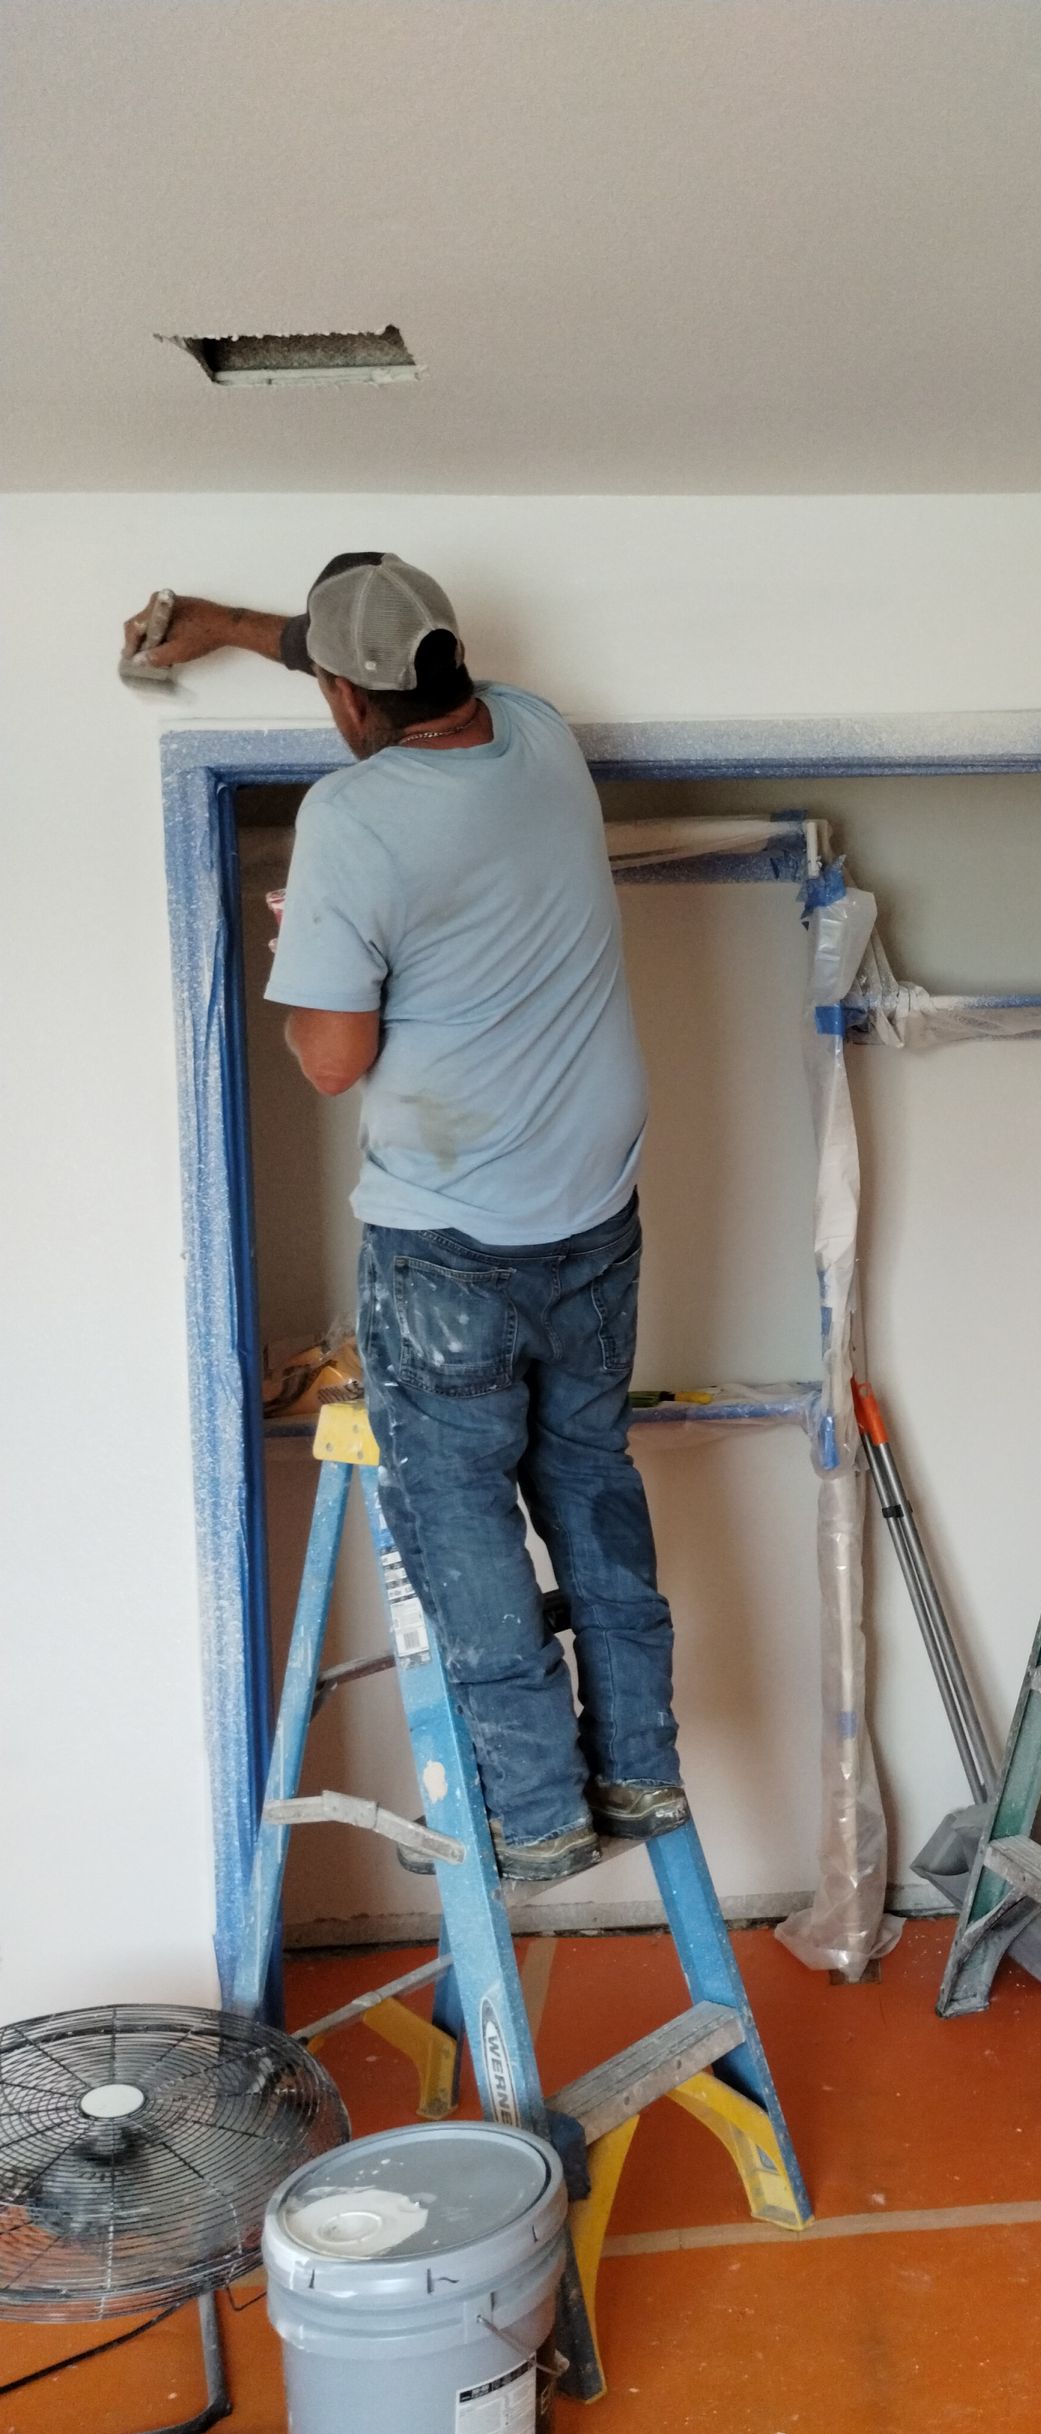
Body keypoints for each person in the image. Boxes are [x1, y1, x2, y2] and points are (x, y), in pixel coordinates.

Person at [124, 555, 688, 1882]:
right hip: (594, 1217)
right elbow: (373, 672)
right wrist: (224, 626)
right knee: (590, 1479)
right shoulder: (539, 734)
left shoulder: (353, 820)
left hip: (452, 1245)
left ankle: (537, 1811)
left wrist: (303, 946)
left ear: (341, 702)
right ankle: (641, 1773)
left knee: (463, 1517)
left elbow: (331, 1060)